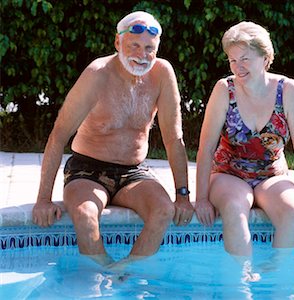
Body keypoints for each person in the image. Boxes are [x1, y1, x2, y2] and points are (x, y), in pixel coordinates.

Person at [32, 11, 194, 265]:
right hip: (87, 170)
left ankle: (124, 275)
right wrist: (43, 200)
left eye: (149, 48)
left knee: (164, 210)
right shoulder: (97, 74)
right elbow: (58, 134)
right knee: (86, 215)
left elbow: (174, 139)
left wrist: (182, 195)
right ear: (117, 43)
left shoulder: (162, 74)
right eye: (134, 46)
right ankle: (104, 275)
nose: (142, 55)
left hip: (134, 172)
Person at [195, 21, 294, 257]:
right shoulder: (224, 89)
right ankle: (241, 283)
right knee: (234, 209)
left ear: (265, 57)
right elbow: (206, 149)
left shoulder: (288, 90)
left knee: (293, 213)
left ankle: (278, 283)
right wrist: (201, 199)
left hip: (272, 175)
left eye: (245, 59)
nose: (237, 67)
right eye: (232, 60)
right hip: (228, 174)